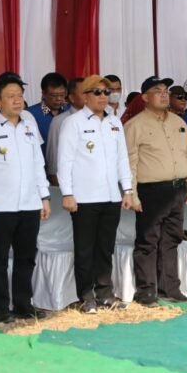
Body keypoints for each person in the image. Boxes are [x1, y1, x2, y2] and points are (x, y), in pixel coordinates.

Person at [0, 73, 50, 324]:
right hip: (0, 205)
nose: (17, 100)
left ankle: (23, 304)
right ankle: (2, 308)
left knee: (26, 256)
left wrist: (44, 196)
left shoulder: (29, 124)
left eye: (20, 95)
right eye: (10, 96)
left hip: (30, 203)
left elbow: (38, 164)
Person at [58, 75, 134, 313]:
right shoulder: (73, 123)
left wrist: (128, 189)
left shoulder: (114, 122)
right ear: (85, 95)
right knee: (84, 249)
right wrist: (67, 193)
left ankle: (105, 293)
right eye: (98, 92)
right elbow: (65, 161)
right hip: (84, 197)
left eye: (107, 92)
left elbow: (122, 159)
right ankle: (85, 295)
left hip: (111, 196)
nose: (104, 97)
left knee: (105, 248)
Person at [125, 76, 187, 305]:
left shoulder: (178, 122)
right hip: (151, 191)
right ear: (145, 98)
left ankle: (170, 288)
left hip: (177, 189)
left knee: (171, 240)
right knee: (148, 241)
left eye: (166, 90)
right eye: (158, 90)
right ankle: (146, 291)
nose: (164, 94)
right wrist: (132, 194)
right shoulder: (134, 125)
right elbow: (130, 163)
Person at [46, 77, 85, 184]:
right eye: (84, 93)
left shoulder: (98, 119)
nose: (89, 96)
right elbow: (53, 157)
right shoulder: (60, 121)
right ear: (71, 98)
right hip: (69, 183)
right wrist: (56, 183)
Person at [27, 72, 68, 155]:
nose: (59, 99)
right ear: (43, 94)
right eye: (54, 95)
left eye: (62, 95)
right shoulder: (30, 114)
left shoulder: (69, 111)